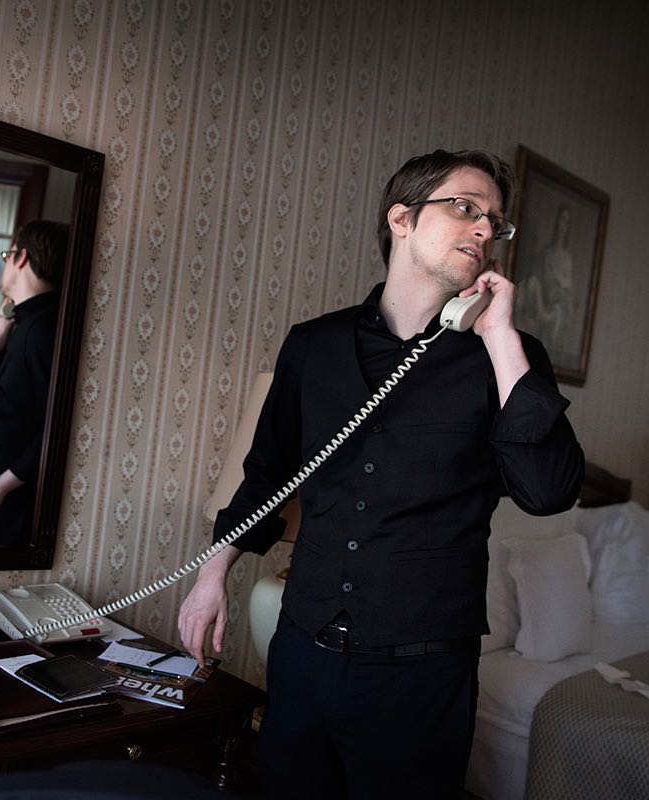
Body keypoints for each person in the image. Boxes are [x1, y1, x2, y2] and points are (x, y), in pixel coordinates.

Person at [177, 149, 584, 800]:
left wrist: (502, 337)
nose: (485, 228)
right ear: (401, 218)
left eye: (495, 221)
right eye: (466, 208)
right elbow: (267, 474)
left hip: (420, 678)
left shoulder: (508, 356)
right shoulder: (313, 346)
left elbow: (548, 491)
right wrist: (210, 576)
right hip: (302, 651)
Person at [0, 220, 68, 546]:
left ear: (21, 258)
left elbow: (55, 429)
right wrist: (0, 332)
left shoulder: (42, 330)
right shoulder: (21, 323)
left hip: (3, 499)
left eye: (8, 256)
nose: (5, 264)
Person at [516, 202, 576, 362]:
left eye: (567, 222)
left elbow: (566, 297)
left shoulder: (566, 260)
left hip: (555, 311)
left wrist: (551, 312)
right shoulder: (544, 254)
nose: (563, 225)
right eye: (561, 220)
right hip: (540, 306)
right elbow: (533, 283)